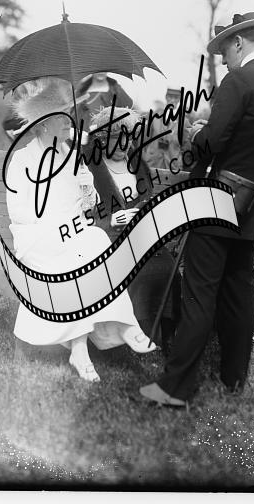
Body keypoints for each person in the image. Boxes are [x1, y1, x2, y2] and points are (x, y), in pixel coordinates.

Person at [140, 11, 254, 407]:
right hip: (249, 208)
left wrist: (196, 134)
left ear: (239, 42)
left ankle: (176, 388)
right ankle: (233, 379)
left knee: (199, 294)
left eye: (225, 51)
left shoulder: (239, 80)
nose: (224, 60)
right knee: (238, 292)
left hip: (215, 201)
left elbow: (213, 143)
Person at [6, 78, 156, 383]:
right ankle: (114, 330)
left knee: (96, 241)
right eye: (62, 119)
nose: (69, 125)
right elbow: (20, 214)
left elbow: (90, 207)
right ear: (43, 125)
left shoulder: (72, 156)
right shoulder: (22, 160)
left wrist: (87, 187)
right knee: (82, 255)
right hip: (37, 238)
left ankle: (83, 346)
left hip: (71, 234)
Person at [86, 106, 182, 353]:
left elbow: (148, 200)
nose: (125, 144)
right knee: (140, 272)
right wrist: (111, 220)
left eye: (129, 138)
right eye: (118, 138)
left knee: (167, 268)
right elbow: (81, 212)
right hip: (107, 239)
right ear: (103, 139)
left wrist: (146, 210)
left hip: (142, 235)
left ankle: (164, 334)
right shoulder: (90, 168)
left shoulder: (137, 165)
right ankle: (135, 334)